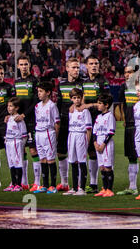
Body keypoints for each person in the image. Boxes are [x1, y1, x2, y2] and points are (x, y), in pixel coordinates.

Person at [79, 55, 110, 194]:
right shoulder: (84, 82)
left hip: (100, 120)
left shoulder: (103, 81)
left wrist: (88, 105)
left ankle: (106, 185)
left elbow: (105, 102)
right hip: (86, 119)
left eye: (96, 63)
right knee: (91, 151)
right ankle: (93, 183)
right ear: (86, 66)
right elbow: (82, 98)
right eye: (91, 63)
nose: (94, 66)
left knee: (101, 151)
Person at [55, 57, 83, 192]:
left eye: (77, 67)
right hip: (64, 121)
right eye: (73, 67)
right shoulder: (61, 85)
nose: (76, 70)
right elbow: (59, 104)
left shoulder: (83, 84)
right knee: (61, 152)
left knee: (77, 154)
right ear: (67, 69)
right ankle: (64, 182)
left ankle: (78, 183)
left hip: (77, 124)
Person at [13, 56, 40, 190]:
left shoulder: (34, 81)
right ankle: (24, 181)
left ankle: (37, 181)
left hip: (30, 120)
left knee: (33, 149)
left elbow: (36, 102)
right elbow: (14, 101)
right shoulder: (16, 82)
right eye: (21, 64)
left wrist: (24, 114)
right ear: (18, 66)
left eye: (26, 64)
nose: (24, 67)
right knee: (21, 150)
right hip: (19, 121)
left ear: (29, 66)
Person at [63, 88, 92, 196]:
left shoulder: (85, 111)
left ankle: (82, 188)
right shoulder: (71, 111)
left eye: (78, 97)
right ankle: (74, 187)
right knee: (73, 161)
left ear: (81, 98)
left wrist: (87, 142)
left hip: (81, 135)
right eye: (74, 98)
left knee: (82, 161)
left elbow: (89, 128)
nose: (77, 100)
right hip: (72, 135)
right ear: (71, 99)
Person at [33, 81, 60, 194]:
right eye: (38, 91)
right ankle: (44, 185)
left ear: (48, 93)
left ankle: (53, 186)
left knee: (50, 159)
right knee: (42, 159)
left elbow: (57, 123)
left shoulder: (52, 106)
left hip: (48, 133)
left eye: (41, 91)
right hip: (38, 133)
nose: (39, 94)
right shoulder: (37, 106)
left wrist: (56, 137)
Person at [116, 65, 139, 196]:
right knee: (131, 156)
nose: (127, 75)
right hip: (129, 125)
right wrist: (124, 118)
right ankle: (133, 186)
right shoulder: (124, 87)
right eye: (125, 72)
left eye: (130, 72)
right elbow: (121, 104)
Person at [93, 94, 116, 198]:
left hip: (106, 144)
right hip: (98, 143)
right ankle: (104, 188)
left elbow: (111, 132)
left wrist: (103, 144)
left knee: (107, 167)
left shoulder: (110, 116)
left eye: (100, 103)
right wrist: (95, 143)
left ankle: (109, 189)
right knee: (101, 167)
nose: (98, 105)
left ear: (106, 105)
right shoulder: (98, 117)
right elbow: (94, 132)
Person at [3, 97, 28, 192]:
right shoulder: (9, 118)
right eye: (8, 106)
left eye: (11, 106)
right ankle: (13, 183)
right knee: (11, 163)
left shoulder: (19, 119)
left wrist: (21, 145)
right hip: (9, 142)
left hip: (16, 142)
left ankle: (19, 184)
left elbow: (24, 134)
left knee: (18, 162)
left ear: (16, 108)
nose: (8, 108)